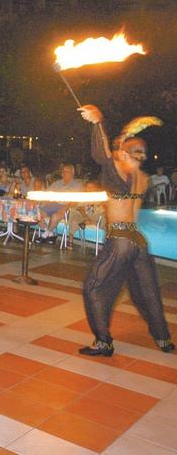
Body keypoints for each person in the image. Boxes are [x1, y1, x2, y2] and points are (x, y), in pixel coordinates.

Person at [77, 105, 173, 356]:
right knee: (148, 292)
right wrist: (127, 134)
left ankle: (103, 342)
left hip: (120, 240)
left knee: (92, 288)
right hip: (138, 240)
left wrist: (98, 122)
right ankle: (164, 340)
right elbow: (114, 154)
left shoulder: (120, 171)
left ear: (127, 153)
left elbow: (102, 155)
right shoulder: (142, 177)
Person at [36, 163, 84, 243]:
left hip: (66, 206)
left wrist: (66, 207)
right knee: (36, 214)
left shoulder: (77, 185)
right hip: (52, 205)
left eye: (67, 171)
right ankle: (50, 233)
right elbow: (47, 193)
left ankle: (44, 236)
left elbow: (75, 201)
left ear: (72, 173)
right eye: (63, 171)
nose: (64, 173)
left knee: (55, 216)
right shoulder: (57, 183)